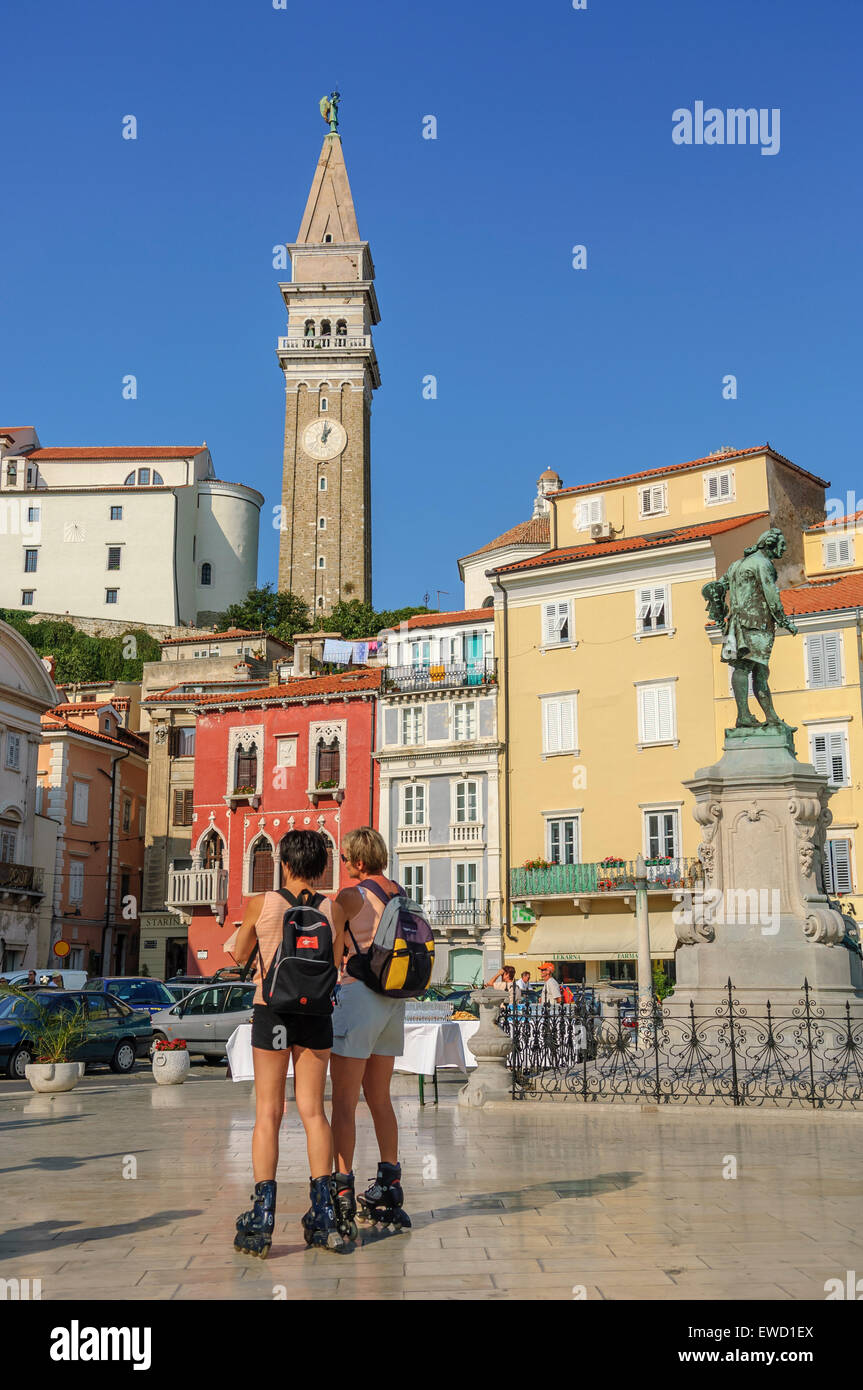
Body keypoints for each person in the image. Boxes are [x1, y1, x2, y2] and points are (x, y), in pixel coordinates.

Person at [230, 830, 345, 1257]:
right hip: (316, 1015)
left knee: (269, 1112)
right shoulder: (331, 909)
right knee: (314, 1112)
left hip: (272, 1011)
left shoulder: (264, 903)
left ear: (284, 863)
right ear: (321, 867)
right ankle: (324, 1213)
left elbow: (239, 956)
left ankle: (262, 1216)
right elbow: (334, 966)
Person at [329, 827, 411, 1235]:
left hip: (357, 995)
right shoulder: (399, 893)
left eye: (346, 859)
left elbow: (330, 950)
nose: (343, 866)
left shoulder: (350, 896)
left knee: (343, 1101)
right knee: (380, 1098)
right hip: (394, 1001)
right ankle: (389, 1184)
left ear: (358, 862)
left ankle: (341, 1189)